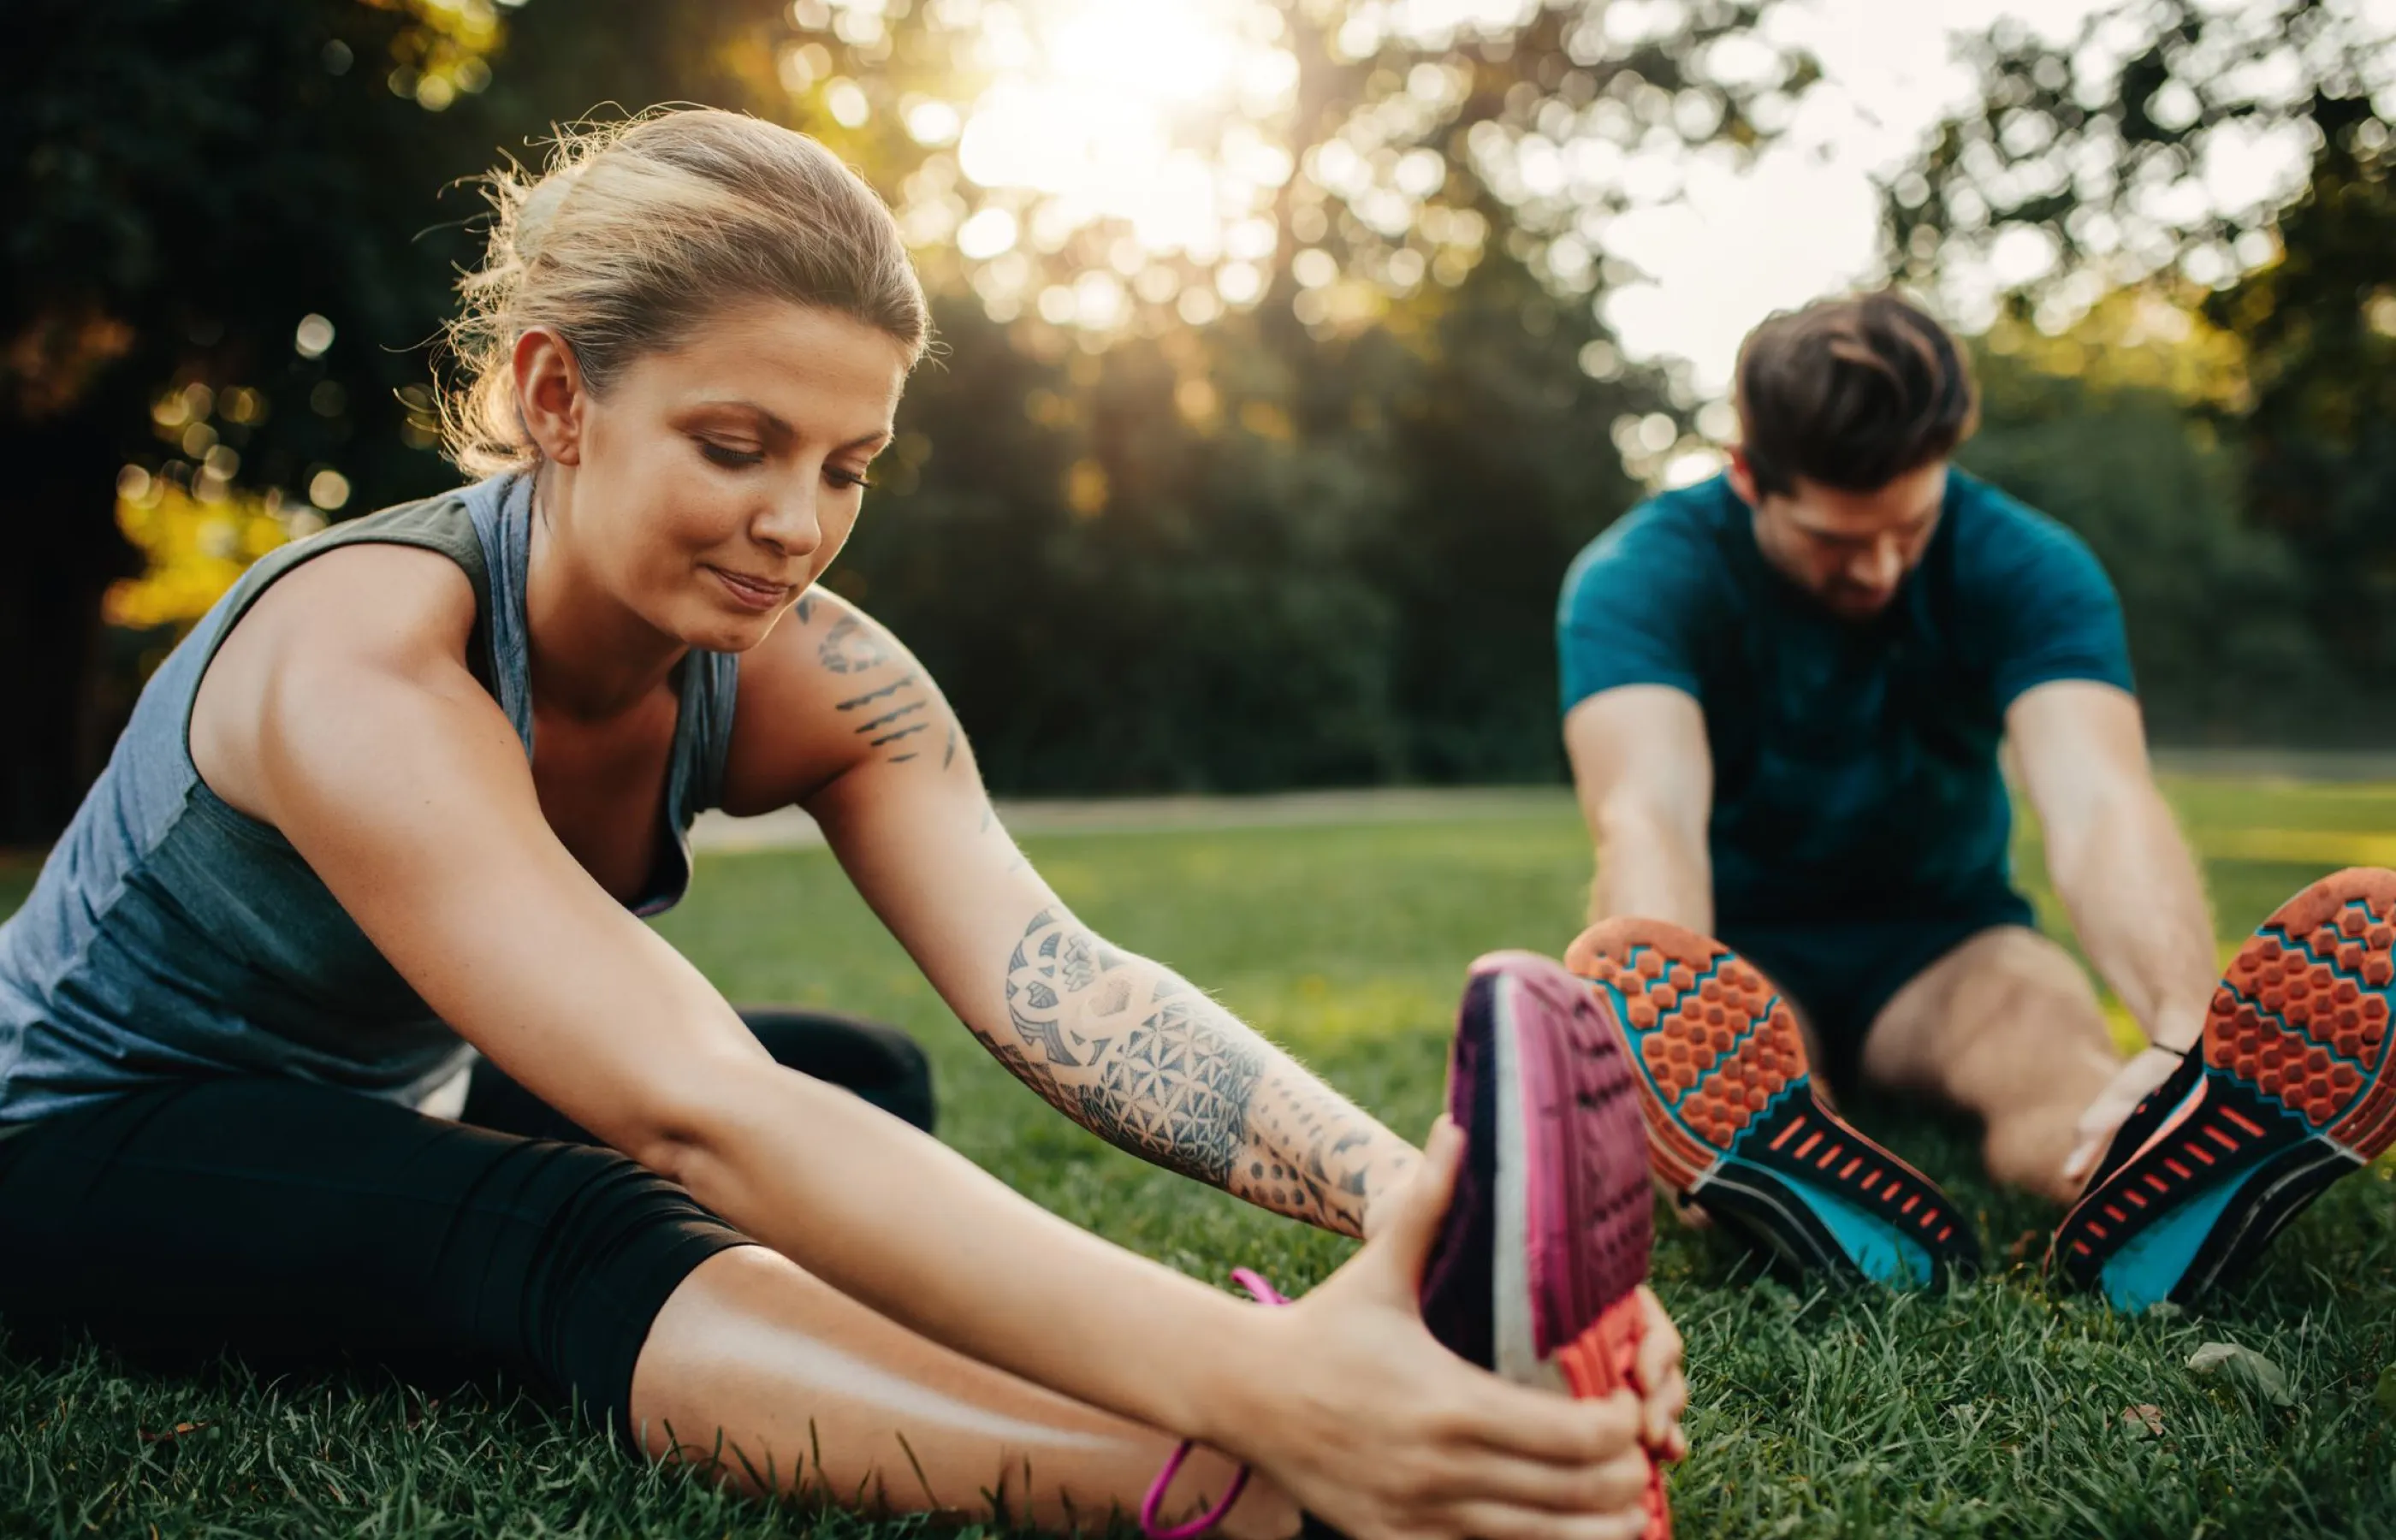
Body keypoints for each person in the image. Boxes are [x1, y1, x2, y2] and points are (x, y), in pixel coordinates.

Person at [0, 110, 1683, 1540]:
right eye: (734, 445)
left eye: (846, 464)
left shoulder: (813, 673)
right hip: (81, 1137)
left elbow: (1056, 984)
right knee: (601, 1211)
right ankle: (1236, 1487)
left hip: (386, 1083)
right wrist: (1258, 1385)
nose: (793, 524)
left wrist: (1420, 1204)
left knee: (855, 1081)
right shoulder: (361, 657)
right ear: (557, 396)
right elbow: (690, 1107)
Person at [1551, 291, 2223, 1288]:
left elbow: (2099, 804)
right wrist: (1677, 1053)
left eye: (1909, 527)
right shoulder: (1637, 577)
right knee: (1759, 1090)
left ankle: (2156, 1183)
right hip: (1743, 953)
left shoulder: (2029, 565)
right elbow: (1646, 815)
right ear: (1746, 476)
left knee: (2054, 1056)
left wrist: (2182, 1034)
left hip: (1948, 944)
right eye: (1835, 539)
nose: (1878, 567)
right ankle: (1746, 1151)